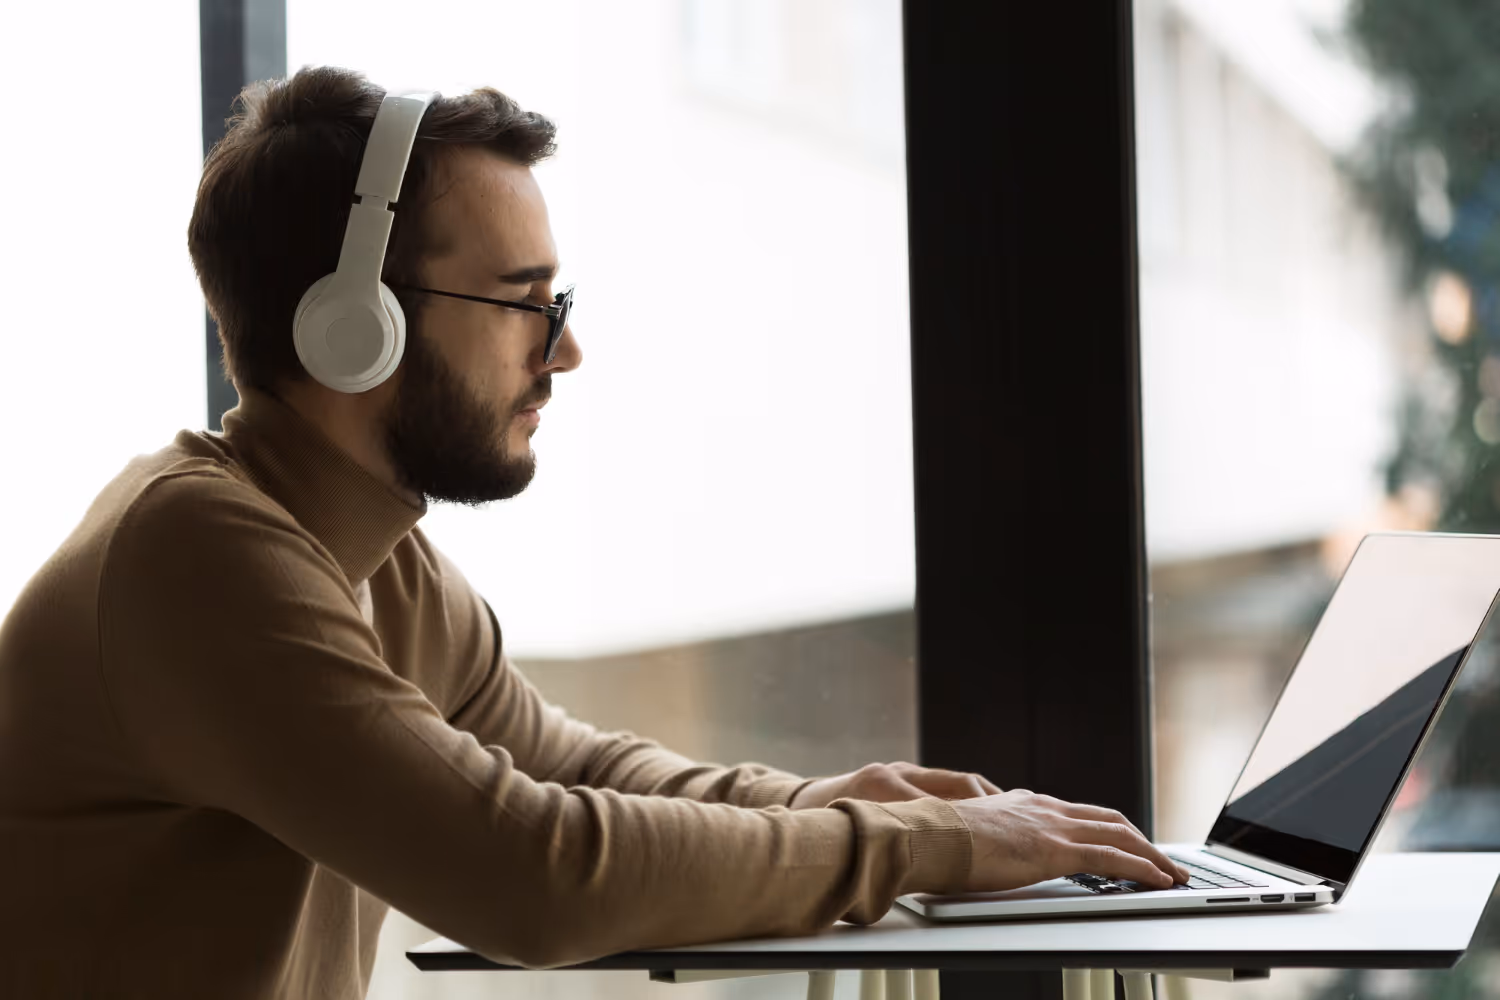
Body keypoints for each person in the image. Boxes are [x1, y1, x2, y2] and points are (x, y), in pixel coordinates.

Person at [0, 66, 1188, 1000]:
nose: (562, 351)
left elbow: (568, 768)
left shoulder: (377, 564)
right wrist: (920, 844)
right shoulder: (195, 561)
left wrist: (817, 800)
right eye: (525, 301)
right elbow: (534, 871)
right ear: (350, 326)